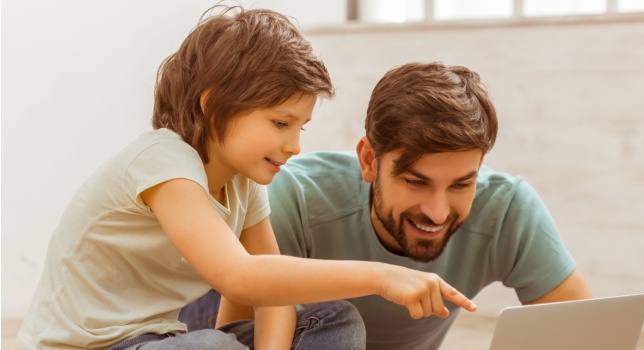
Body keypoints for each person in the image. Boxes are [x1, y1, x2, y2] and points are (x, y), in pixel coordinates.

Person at [17, 8, 475, 350]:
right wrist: (381, 276)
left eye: (301, 127)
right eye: (280, 123)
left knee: (335, 320)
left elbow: (272, 295)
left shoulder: (243, 184)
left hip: (159, 340)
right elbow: (239, 278)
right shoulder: (162, 160)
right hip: (87, 346)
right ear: (213, 105)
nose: (295, 145)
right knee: (214, 346)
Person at [181, 61, 593, 349]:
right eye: (416, 182)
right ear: (369, 161)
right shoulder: (293, 197)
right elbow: (241, 335)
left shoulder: (508, 209)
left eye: (462, 184)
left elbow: (587, 333)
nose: (437, 211)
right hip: (213, 311)